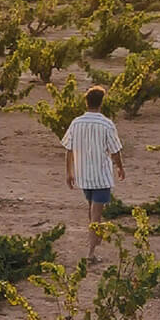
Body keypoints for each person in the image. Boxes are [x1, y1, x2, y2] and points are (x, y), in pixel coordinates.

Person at [61, 85, 125, 261]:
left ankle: (95, 239)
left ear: (86, 102)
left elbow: (68, 149)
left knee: (92, 210)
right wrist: (120, 167)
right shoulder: (106, 124)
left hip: (84, 176)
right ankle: (91, 253)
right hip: (101, 177)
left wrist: (69, 172)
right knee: (96, 215)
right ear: (101, 103)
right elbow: (115, 151)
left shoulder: (76, 123)